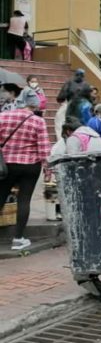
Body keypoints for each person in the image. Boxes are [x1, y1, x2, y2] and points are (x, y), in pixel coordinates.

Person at [0, 90, 50, 250]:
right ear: (34, 105)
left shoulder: (4, 116)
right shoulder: (38, 121)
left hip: (6, 165)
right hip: (30, 166)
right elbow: (44, 148)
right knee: (24, 200)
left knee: (0, 197)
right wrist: (47, 170)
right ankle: (18, 238)